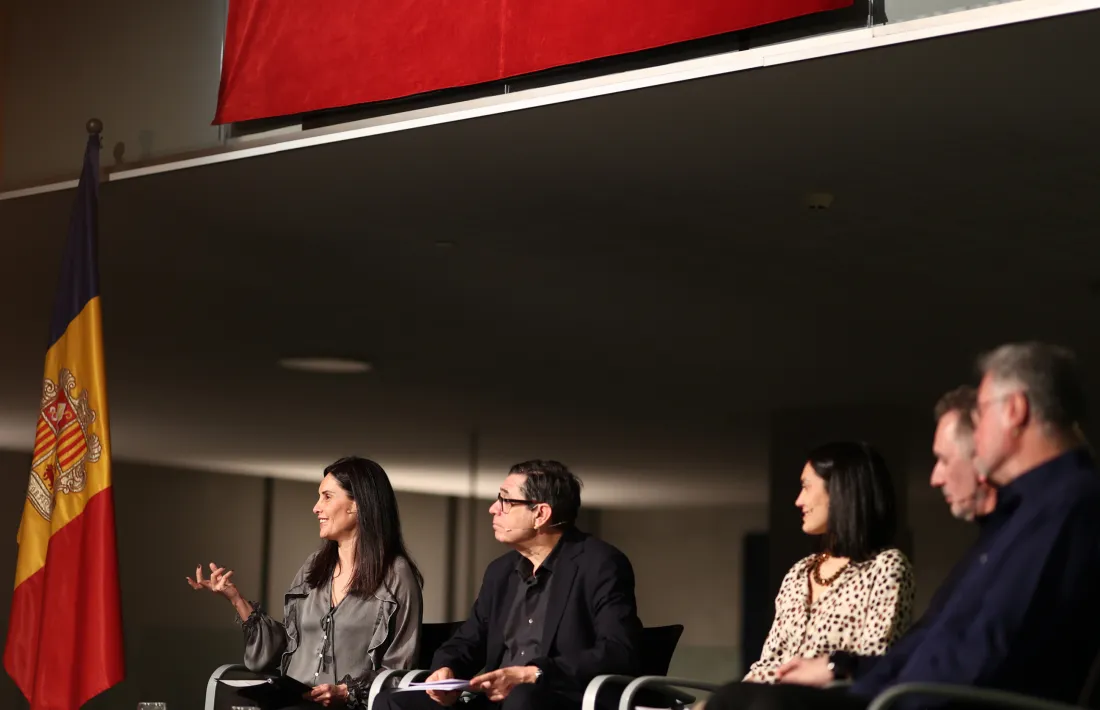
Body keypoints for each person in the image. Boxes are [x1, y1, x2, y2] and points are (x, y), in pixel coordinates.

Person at [702, 342, 1100, 710]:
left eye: (981, 413)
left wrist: (875, 697)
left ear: (1014, 410)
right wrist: (847, 668)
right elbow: (930, 643)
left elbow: (989, 650)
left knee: (751, 704)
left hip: (916, 704)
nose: (976, 433)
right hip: (896, 695)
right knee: (737, 699)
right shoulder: (1020, 516)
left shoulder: (1068, 504)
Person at [375, 459, 642, 710]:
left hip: (556, 698)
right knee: (391, 702)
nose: (494, 508)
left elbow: (618, 650)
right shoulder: (500, 571)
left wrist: (533, 674)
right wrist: (447, 669)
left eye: (506, 500)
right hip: (494, 701)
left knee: (523, 696)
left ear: (540, 514)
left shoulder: (599, 564)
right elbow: (469, 640)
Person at [187, 456, 424, 708]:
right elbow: (282, 650)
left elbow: (399, 669)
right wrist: (236, 599)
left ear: (357, 505)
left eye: (327, 497)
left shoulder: (396, 575)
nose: (316, 508)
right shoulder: (313, 567)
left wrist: (347, 692)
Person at [744, 441, 914, 683]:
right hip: (775, 697)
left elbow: (872, 664)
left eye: (806, 487)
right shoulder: (799, 573)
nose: (798, 501)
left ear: (839, 491)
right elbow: (768, 663)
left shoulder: (886, 567)